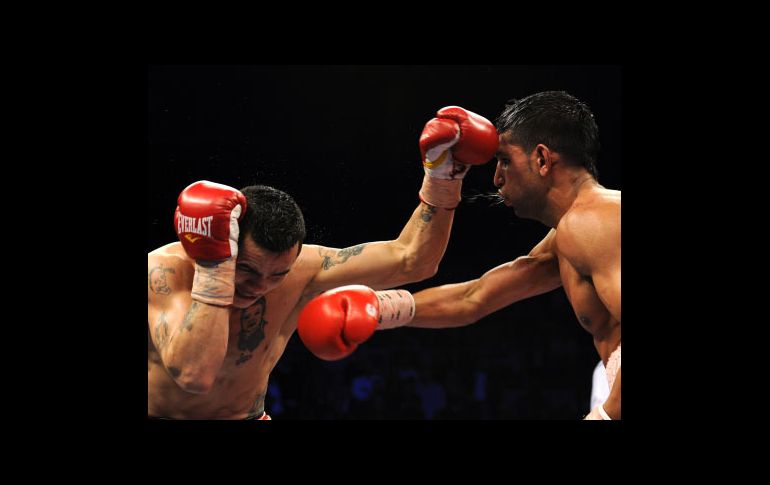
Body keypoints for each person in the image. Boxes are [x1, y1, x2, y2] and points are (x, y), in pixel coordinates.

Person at [147, 106, 499, 419]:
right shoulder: (165, 272)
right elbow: (194, 375)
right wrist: (216, 267)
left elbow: (413, 261)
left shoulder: (304, 270)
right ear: (227, 244)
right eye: (247, 270)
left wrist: (443, 178)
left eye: (277, 275)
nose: (259, 286)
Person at [298, 91, 621, 420]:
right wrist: (378, 309)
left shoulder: (593, 222)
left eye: (505, 160)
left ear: (541, 159)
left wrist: (608, 414)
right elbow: (475, 297)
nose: (496, 177)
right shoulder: (572, 233)